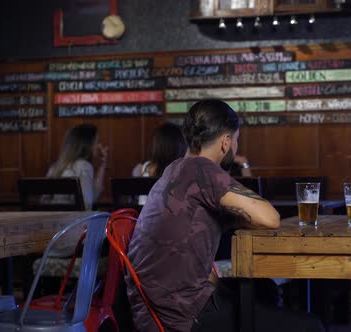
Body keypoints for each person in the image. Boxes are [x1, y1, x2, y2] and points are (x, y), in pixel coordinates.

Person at [126, 99, 323, 332]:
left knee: (264, 290)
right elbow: (270, 218)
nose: (236, 146)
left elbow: (192, 251)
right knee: (312, 326)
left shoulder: (175, 169)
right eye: (236, 139)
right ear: (226, 142)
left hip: (153, 307)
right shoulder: (202, 169)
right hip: (181, 316)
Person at [45, 123, 108, 256]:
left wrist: (101, 166)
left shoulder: (55, 168)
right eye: (96, 142)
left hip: (50, 241)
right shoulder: (84, 167)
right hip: (72, 243)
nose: (98, 146)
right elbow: (87, 205)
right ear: (87, 145)